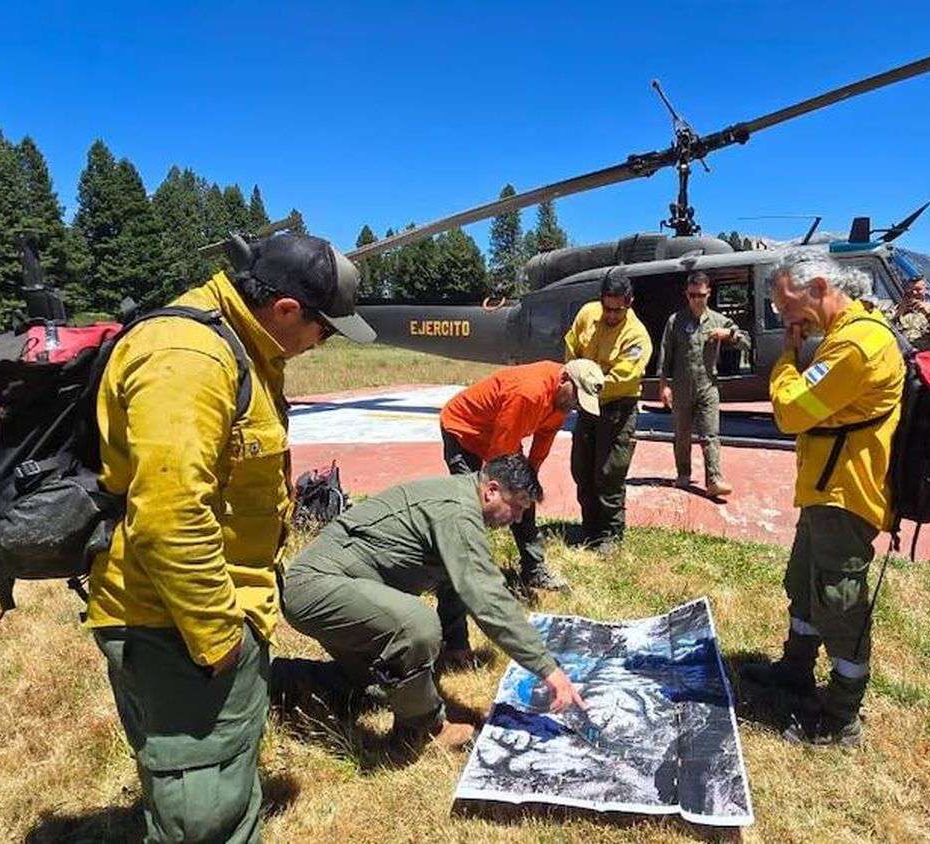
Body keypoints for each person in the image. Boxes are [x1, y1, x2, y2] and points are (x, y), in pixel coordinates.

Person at [86, 233, 376, 842]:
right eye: (325, 330)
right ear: (288, 310)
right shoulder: (191, 358)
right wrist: (221, 640)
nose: (321, 345)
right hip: (181, 627)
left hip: (214, 612)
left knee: (220, 784)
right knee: (203, 816)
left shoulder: (241, 344)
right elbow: (170, 516)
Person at [280, 455, 588, 750]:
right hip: (315, 586)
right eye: (517, 508)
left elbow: (456, 578)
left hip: (339, 585)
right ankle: (424, 729)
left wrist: (456, 643)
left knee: (374, 689)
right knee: (418, 626)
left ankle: (281, 680)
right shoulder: (456, 512)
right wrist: (548, 669)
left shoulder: (462, 502)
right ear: (492, 491)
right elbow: (487, 598)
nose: (518, 519)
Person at [740, 252, 904, 747]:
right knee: (806, 586)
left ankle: (841, 714)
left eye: (786, 307)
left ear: (817, 286)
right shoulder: (843, 335)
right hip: (825, 490)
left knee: (840, 602)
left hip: (847, 493)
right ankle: (795, 670)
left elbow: (790, 413)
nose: (784, 319)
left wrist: (786, 361)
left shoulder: (855, 345)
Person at [435, 358, 605, 658]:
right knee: (467, 516)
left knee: (522, 498)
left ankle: (534, 568)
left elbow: (543, 440)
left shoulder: (560, 399)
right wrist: (511, 495)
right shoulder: (528, 393)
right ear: (565, 379)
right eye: (577, 397)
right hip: (464, 432)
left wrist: (530, 481)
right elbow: (499, 461)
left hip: (496, 437)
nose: (576, 406)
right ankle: (455, 628)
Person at [563, 274, 653, 551]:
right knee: (582, 468)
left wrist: (584, 382)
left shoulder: (636, 336)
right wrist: (574, 374)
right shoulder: (588, 314)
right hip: (587, 406)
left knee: (609, 472)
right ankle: (588, 529)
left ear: (630, 303)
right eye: (608, 308)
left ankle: (611, 535)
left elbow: (622, 378)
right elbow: (571, 347)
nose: (612, 315)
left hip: (618, 407)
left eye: (618, 309)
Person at [656, 271, 751, 498]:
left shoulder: (718, 320)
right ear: (686, 295)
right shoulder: (675, 321)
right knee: (682, 433)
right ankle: (683, 473)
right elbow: (665, 354)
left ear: (708, 294)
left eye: (701, 295)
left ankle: (714, 480)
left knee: (710, 434)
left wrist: (728, 334)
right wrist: (663, 385)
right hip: (681, 386)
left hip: (708, 385)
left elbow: (746, 342)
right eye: (692, 295)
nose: (696, 299)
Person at [891, 275, 930, 352]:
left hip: (921, 357)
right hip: (896, 355)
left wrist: (927, 314)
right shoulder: (895, 310)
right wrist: (899, 312)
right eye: (910, 290)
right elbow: (882, 329)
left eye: (918, 289)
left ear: (925, 290)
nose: (914, 293)